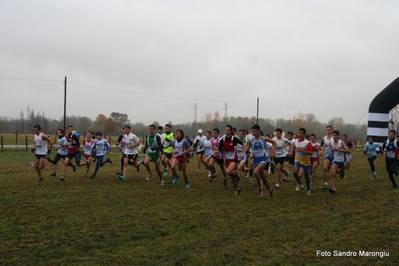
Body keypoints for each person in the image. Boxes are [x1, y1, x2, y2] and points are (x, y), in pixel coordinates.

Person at [246, 125, 275, 198]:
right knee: (263, 178)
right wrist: (250, 153)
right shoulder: (250, 140)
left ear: (259, 131)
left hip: (264, 159)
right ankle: (270, 189)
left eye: (256, 131)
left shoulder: (264, 139)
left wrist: (272, 152)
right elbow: (248, 149)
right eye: (253, 131)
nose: (254, 133)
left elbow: (274, 143)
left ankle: (260, 189)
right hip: (256, 159)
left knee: (255, 172)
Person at [217, 125, 246, 195]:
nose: (226, 131)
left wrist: (243, 152)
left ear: (231, 131)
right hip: (227, 160)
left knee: (227, 172)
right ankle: (238, 189)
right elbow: (219, 150)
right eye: (225, 129)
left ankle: (236, 173)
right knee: (232, 177)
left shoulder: (234, 139)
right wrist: (217, 151)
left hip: (233, 160)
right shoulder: (222, 140)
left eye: (228, 130)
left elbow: (244, 144)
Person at [328, 130, 350, 194]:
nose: (334, 136)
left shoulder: (341, 142)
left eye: (335, 135)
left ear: (338, 136)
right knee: (333, 174)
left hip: (342, 161)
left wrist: (339, 150)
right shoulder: (331, 143)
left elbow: (348, 151)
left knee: (341, 176)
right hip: (335, 161)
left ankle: (342, 172)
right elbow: (333, 151)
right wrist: (328, 155)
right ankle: (334, 189)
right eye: (333, 135)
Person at [292, 128, 313, 195]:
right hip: (297, 159)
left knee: (306, 176)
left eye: (301, 133)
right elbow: (293, 146)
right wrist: (290, 152)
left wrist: (302, 151)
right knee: (295, 172)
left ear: (304, 134)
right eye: (299, 133)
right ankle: (300, 184)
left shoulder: (307, 143)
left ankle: (308, 189)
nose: (300, 134)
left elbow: (311, 153)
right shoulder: (295, 141)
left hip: (305, 162)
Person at [319, 125, 334, 190]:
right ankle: (326, 183)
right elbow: (324, 145)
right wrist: (322, 151)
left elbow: (337, 145)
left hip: (334, 155)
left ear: (332, 130)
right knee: (325, 168)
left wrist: (332, 145)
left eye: (329, 130)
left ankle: (342, 171)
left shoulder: (334, 138)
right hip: (327, 155)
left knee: (334, 171)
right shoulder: (324, 138)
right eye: (327, 130)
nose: (328, 131)